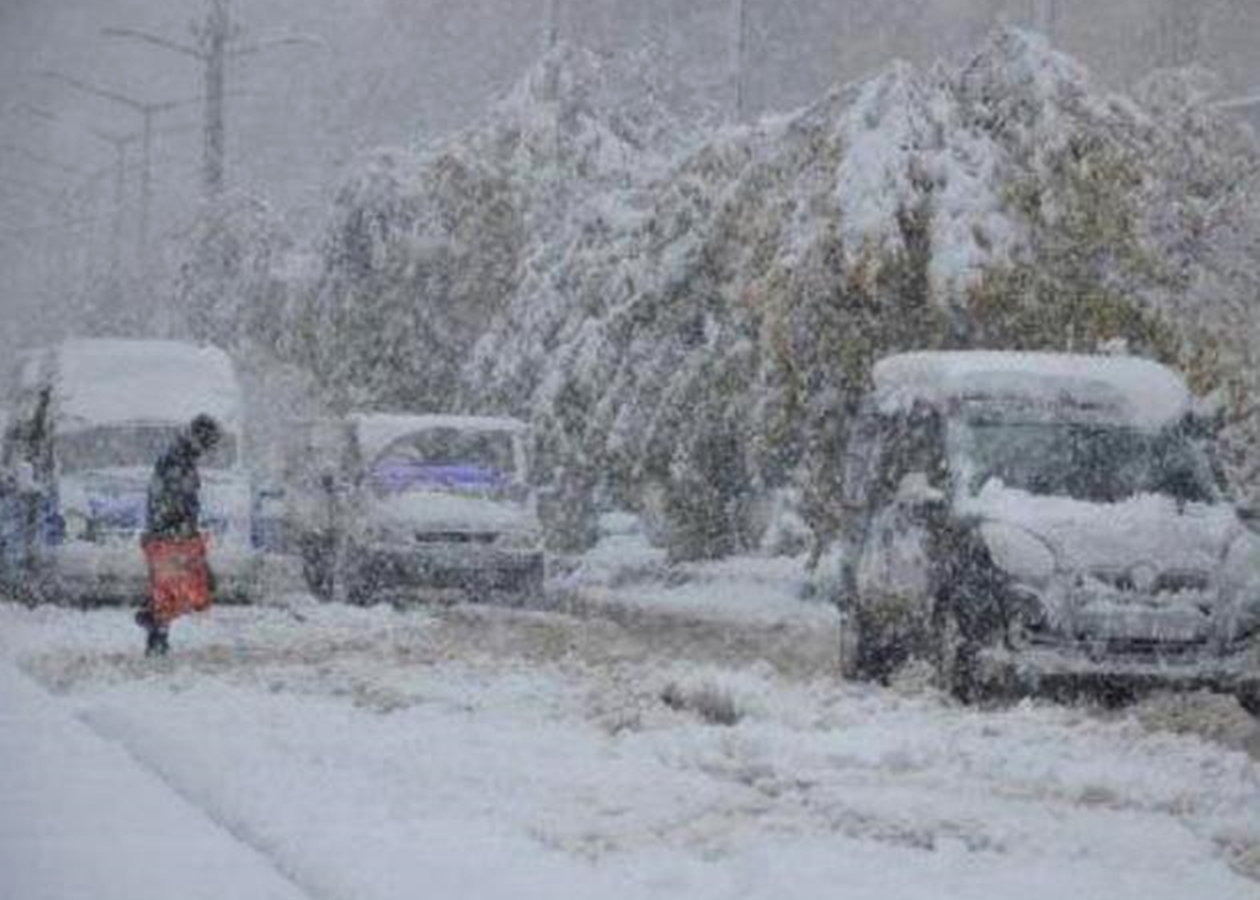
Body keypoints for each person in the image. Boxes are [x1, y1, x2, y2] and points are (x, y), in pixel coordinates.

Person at [135, 414, 222, 656]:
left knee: (177, 587)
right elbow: (170, 500)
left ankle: (156, 630)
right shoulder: (177, 460)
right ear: (200, 438)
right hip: (171, 536)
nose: (207, 450)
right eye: (208, 443)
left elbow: (178, 499)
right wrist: (177, 530)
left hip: (173, 534)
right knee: (178, 588)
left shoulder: (181, 457)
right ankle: (154, 628)